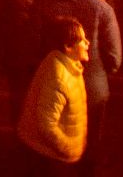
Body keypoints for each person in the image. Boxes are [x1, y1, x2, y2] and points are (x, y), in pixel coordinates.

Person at [17, 13, 88, 168]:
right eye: (82, 39)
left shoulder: (70, 67)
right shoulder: (58, 77)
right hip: (49, 157)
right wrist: (69, 147)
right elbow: (47, 125)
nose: (87, 43)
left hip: (56, 156)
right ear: (68, 47)